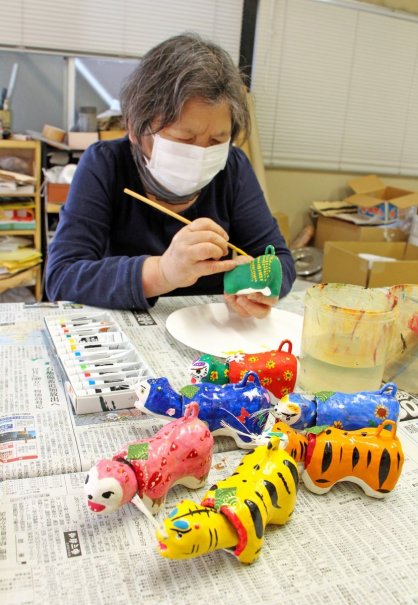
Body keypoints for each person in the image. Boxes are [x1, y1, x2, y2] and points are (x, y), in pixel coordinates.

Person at [45, 33, 295, 318]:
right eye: (184, 139)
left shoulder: (234, 167)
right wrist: (162, 272)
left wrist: (260, 285)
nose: (200, 154)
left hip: (214, 333)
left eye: (216, 141)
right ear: (136, 129)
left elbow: (280, 260)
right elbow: (61, 278)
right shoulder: (106, 163)